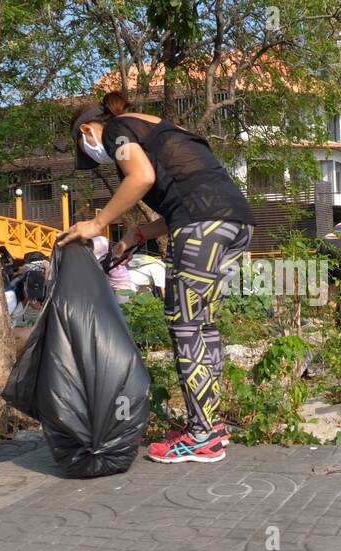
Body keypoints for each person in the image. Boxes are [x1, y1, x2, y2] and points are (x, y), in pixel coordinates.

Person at [60, 91, 254, 464]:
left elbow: (141, 177)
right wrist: (137, 236)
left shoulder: (117, 129)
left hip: (201, 229)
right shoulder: (163, 130)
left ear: (87, 129)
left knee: (185, 328)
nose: (94, 156)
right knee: (203, 327)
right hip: (234, 225)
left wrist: (99, 223)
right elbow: (191, 196)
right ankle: (208, 427)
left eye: (87, 149)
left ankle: (200, 437)